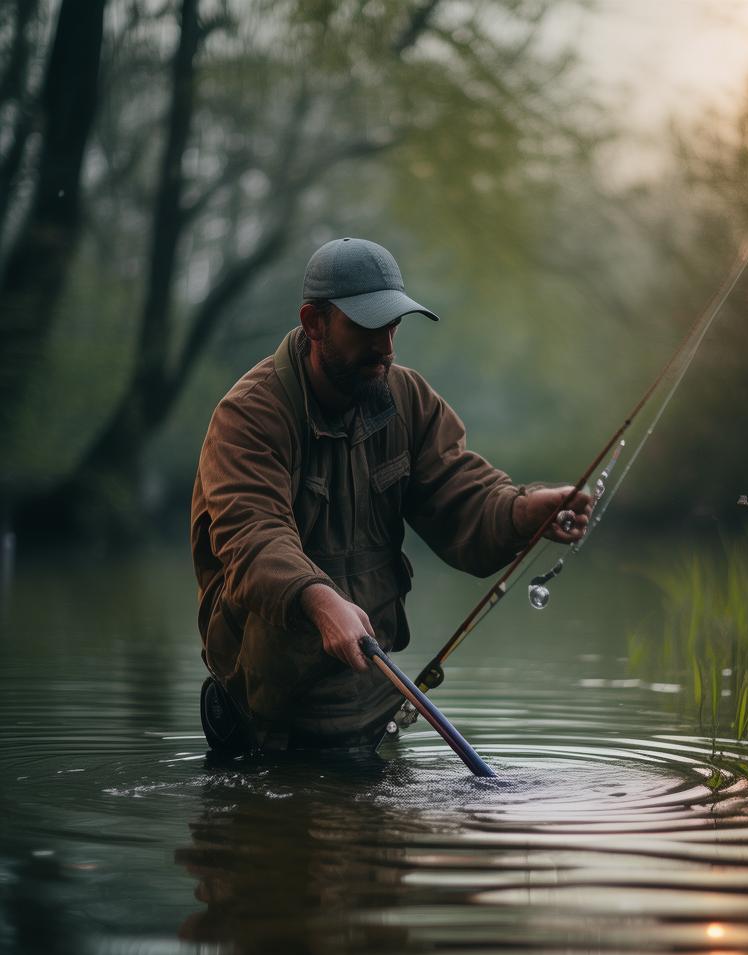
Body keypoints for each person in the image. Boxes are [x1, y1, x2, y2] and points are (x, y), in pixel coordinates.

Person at [192, 237, 590, 754]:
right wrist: (318, 599)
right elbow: (253, 539)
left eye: (393, 324)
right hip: (268, 721)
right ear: (314, 323)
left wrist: (521, 510)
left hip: (374, 715)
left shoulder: (409, 400)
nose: (385, 345)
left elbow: (461, 497)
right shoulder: (248, 416)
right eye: (364, 327)